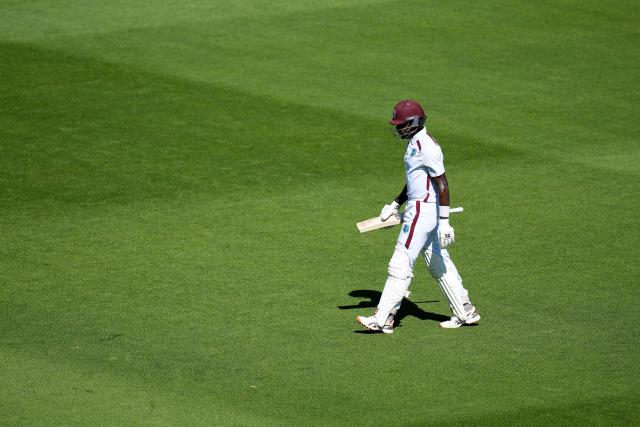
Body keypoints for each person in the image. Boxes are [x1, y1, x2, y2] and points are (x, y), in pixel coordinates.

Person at [356, 100, 480, 333]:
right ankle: (465, 311)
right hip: (420, 208)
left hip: (422, 211)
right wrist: (395, 203)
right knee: (436, 260)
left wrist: (445, 223)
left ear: (413, 123)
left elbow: (442, 183)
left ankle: (383, 319)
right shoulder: (415, 143)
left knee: (400, 262)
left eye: (401, 124)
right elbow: (414, 181)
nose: (398, 128)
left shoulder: (426, 146)